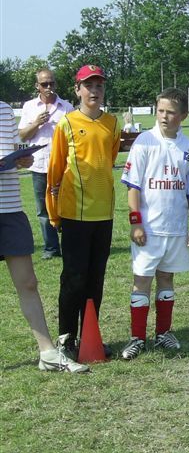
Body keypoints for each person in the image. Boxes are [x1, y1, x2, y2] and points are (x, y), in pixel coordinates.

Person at [119, 88, 189, 360]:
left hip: (175, 228)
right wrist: (136, 223)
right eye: (160, 111)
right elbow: (133, 187)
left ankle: (163, 333)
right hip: (149, 230)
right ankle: (137, 337)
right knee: (142, 281)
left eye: (171, 112)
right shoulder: (145, 141)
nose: (164, 117)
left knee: (167, 278)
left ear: (183, 115)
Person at [1, 101, 88, 372]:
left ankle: (48, 353)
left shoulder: (5, 110)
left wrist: (22, 159)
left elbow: (13, 150)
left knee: (28, 283)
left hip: (11, 208)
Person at [46, 65, 121, 360]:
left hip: (103, 215)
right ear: (77, 90)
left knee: (96, 280)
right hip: (75, 215)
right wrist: (54, 215)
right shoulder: (66, 123)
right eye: (88, 85)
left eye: (99, 85)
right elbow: (54, 171)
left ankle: (91, 337)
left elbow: (109, 158)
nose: (94, 91)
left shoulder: (112, 124)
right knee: (74, 279)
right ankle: (67, 339)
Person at [17, 69, 74, 260]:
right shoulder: (29, 107)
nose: (48, 87)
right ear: (37, 86)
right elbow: (22, 135)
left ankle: (69, 245)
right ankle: (51, 248)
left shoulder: (66, 107)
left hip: (63, 166)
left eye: (51, 83)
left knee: (66, 207)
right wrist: (36, 123)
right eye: (44, 84)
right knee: (43, 210)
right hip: (39, 165)